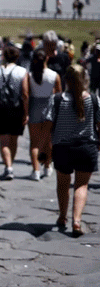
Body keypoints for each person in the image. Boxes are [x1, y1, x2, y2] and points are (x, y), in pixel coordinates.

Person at [44, 64, 99, 237]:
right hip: (86, 147)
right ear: (85, 80)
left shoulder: (58, 99)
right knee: (82, 185)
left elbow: (48, 125)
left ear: (66, 80)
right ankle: (77, 220)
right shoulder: (94, 100)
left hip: (62, 148)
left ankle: (62, 216)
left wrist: (46, 147)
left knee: (63, 184)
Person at [0, 45, 29, 181]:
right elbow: (25, 93)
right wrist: (26, 112)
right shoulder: (22, 71)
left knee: (3, 140)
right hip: (16, 108)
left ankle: (8, 166)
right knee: (14, 139)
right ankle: (10, 164)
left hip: (0, 107)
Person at [28, 49, 62, 180]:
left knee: (34, 142)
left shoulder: (30, 75)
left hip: (35, 107)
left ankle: (36, 169)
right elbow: (59, 95)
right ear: (46, 59)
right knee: (48, 140)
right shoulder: (54, 75)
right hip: (50, 106)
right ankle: (47, 166)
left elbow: (28, 93)